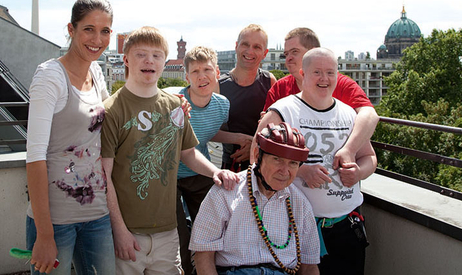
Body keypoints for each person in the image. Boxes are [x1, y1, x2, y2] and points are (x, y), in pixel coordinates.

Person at [100, 26, 239, 275]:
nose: (149, 61)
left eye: (156, 55)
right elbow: (104, 176)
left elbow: (188, 153)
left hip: (167, 229)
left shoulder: (175, 105)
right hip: (129, 231)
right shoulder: (111, 110)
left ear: (164, 61)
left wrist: (215, 172)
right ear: (126, 59)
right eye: (141, 54)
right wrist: (118, 229)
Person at [256, 48, 377, 274]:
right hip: (293, 228)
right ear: (302, 74)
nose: (324, 79)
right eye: (317, 72)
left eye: (330, 73)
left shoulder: (350, 114)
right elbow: (257, 158)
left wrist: (358, 173)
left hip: (345, 228)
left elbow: (369, 158)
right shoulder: (283, 111)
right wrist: (301, 171)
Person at [25, 0, 115, 275]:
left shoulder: (97, 73)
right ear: (71, 29)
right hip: (56, 220)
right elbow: (35, 158)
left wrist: (174, 104)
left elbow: (116, 117)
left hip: (97, 214)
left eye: (105, 31)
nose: (97, 39)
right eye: (89, 29)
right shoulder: (50, 77)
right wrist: (45, 234)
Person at [190, 122, 320, 275]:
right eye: (277, 159)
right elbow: (203, 255)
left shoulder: (299, 203)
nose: (285, 171)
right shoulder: (226, 192)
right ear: (258, 156)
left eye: (293, 163)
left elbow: (309, 266)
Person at [173, 46, 253, 274]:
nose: (202, 76)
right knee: (179, 233)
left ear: (217, 72)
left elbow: (206, 131)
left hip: (199, 173)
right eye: (195, 71)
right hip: (170, 175)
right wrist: (215, 171)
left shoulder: (222, 105)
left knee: (210, 228)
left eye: (207, 69)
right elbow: (185, 148)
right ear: (186, 76)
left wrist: (237, 138)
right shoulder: (176, 104)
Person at [262, 27, 379, 171]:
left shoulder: (339, 83)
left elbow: (370, 115)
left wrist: (349, 150)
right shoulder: (280, 88)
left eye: (295, 52)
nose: (288, 58)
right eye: (286, 54)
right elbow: (264, 137)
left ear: (314, 51)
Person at [218, 24, 277, 172]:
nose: (250, 51)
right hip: (231, 167)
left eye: (257, 47)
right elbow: (208, 131)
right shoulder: (219, 86)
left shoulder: (269, 81)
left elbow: (279, 125)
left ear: (265, 53)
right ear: (237, 46)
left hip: (264, 166)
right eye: (245, 44)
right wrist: (239, 139)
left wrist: (254, 145)